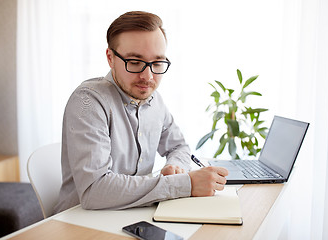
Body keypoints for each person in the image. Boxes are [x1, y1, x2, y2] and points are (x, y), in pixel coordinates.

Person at [54, 11, 228, 213]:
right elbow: (95, 190)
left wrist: (176, 167)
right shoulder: (88, 101)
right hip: (79, 222)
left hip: (134, 214)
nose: (148, 76)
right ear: (110, 58)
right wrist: (185, 184)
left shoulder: (154, 100)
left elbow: (179, 146)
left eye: (157, 63)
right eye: (135, 62)